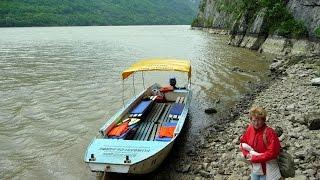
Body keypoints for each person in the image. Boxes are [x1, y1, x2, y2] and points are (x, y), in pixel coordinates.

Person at [240, 106, 281, 180]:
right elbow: (243, 142)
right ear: (251, 120)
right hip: (255, 167)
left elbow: (273, 153)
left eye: (259, 120)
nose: (256, 123)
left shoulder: (270, 132)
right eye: (254, 120)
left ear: (264, 120)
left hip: (267, 169)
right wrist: (246, 155)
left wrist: (254, 158)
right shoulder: (250, 128)